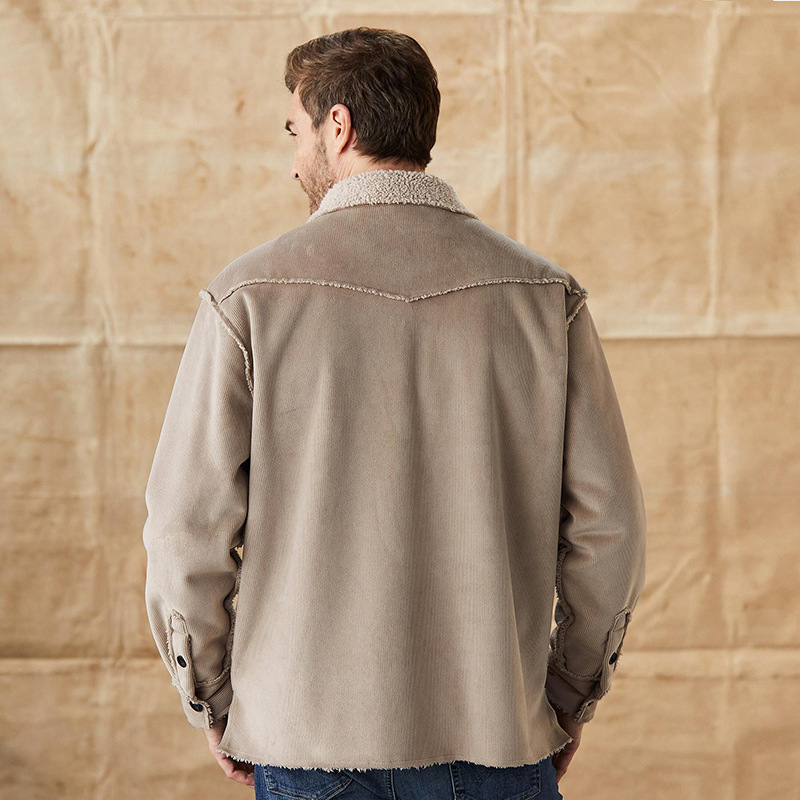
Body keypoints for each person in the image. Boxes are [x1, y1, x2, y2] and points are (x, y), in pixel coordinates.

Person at [142, 26, 647, 800]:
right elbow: (608, 532)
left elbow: (186, 532)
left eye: (295, 131)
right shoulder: (546, 299)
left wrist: (210, 697)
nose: (294, 160)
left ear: (338, 127)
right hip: (497, 736)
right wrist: (566, 696)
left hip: (305, 739)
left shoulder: (246, 299)